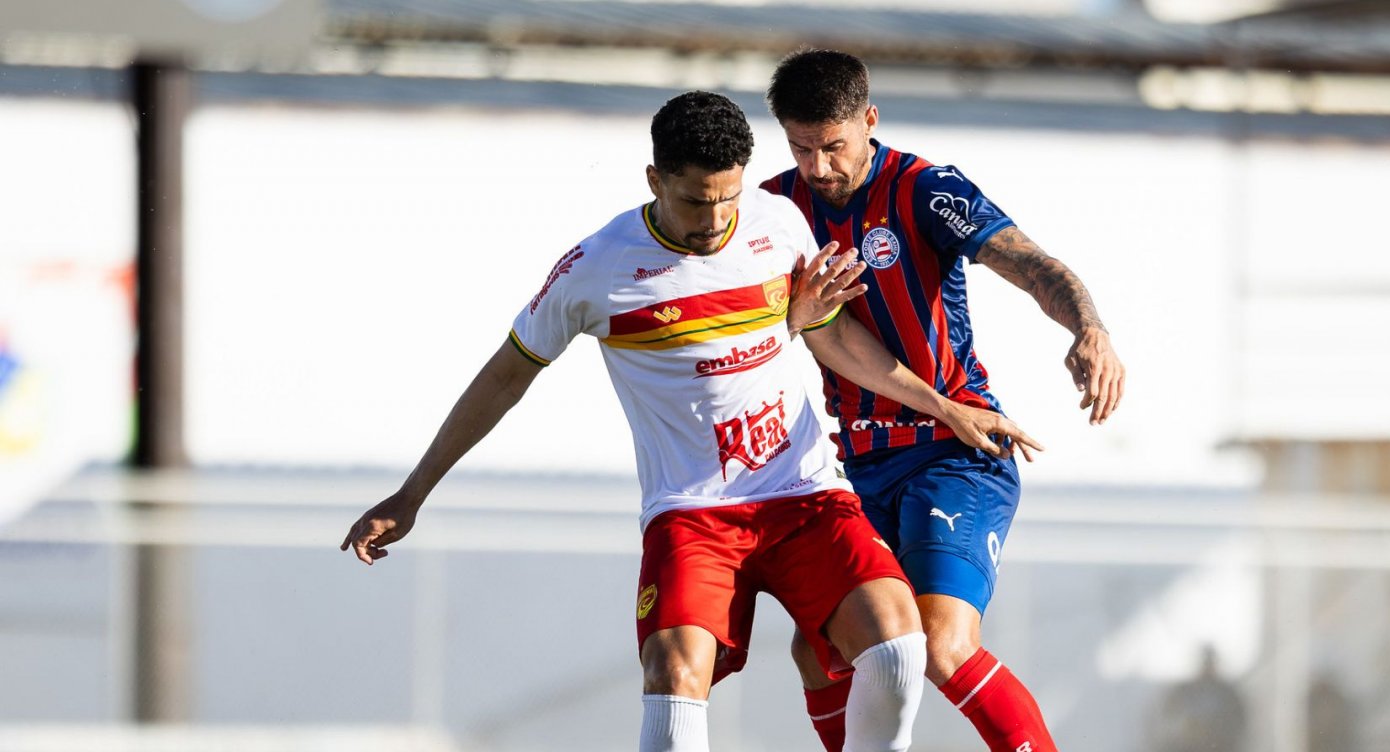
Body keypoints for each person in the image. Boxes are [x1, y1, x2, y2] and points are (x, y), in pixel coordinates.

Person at [339, 91, 1040, 752]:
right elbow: (504, 377)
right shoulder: (596, 270)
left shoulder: (776, 220)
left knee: (898, 646)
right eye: (695, 202)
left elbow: (831, 335)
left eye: (728, 197)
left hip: (806, 495)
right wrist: (413, 493)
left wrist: (944, 406)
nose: (714, 221)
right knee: (675, 678)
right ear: (654, 179)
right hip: (694, 513)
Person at [764, 50, 1128, 752]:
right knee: (818, 655)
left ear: (869, 120)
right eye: (801, 149)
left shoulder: (926, 189)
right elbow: (788, 332)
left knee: (940, 644)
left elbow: (1031, 264)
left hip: (955, 451)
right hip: (857, 469)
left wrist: (1091, 329)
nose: (819, 168)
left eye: (834, 146)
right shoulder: (778, 212)